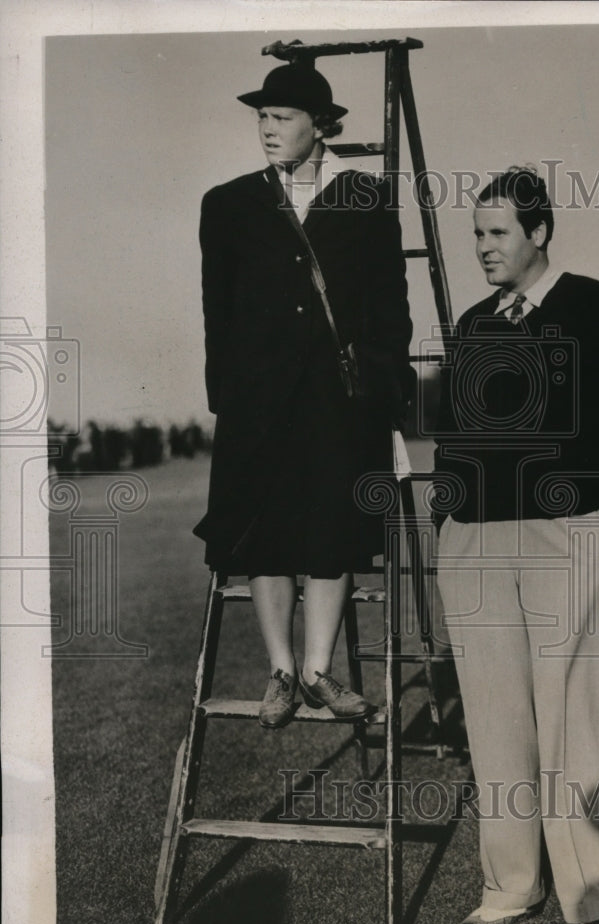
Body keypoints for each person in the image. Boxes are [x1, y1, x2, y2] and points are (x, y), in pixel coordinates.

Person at [433, 165, 599, 924]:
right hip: (474, 542)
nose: (483, 247)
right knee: (494, 719)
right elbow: (459, 438)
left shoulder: (595, 306)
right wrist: (447, 519)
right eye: (476, 233)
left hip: (564, 534)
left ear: (539, 232)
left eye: (497, 232)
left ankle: (592, 897)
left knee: (573, 719)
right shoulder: (471, 321)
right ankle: (509, 885)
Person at [194, 62, 413, 728]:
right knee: (261, 534)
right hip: (256, 402)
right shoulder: (227, 203)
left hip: (337, 401)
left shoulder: (365, 200)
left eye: (282, 117)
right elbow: (217, 311)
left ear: (321, 127)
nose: (267, 128)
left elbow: (389, 310)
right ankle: (281, 672)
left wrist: (381, 394)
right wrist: (227, 398)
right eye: (261, 116)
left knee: (332, 531)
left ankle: (319, 671)